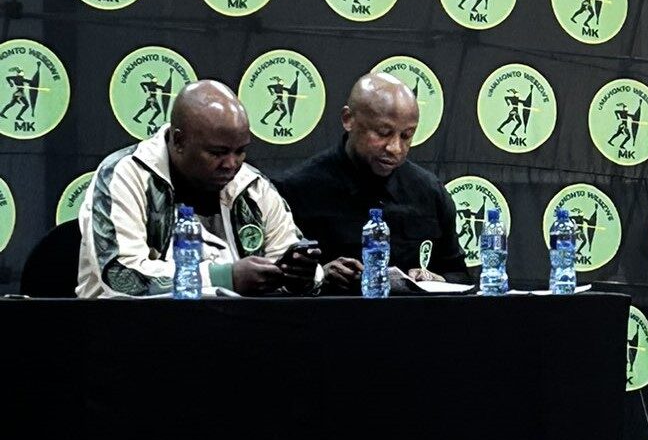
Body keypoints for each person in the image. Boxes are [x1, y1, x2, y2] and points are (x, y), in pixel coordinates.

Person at [76, 80, 322, 298]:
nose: (231, 164)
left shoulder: (252, 186)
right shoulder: (124, 175)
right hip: (127, 329)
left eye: (240, 151)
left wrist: (299, 277)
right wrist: (225, 278)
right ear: (179, 140)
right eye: (217, 152)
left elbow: (294, 257)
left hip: (233, 328)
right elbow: (122, 276)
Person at [275, 72, 469, 292]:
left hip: (409, 313)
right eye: (383, 133)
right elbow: (275, 280)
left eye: (406, 136)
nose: (395, 148)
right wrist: (320, 276)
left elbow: (460, 276)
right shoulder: (296, 190)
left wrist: (435, 279)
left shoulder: (430, 192)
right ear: (348, 119)